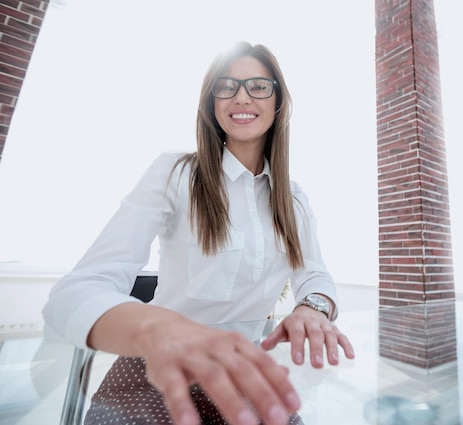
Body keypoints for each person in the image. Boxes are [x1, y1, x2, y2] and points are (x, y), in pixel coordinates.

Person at [43, 41, 354, 425]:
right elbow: (75, 292)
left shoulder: (294, 199)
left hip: (243, 372)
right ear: (212, 103)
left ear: (278, 100)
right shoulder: (175, 173)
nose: (242, 96)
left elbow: (315, 274)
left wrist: (313, 307)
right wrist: (156, 329)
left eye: (258, 85)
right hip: (154, 369)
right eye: (226, 86)